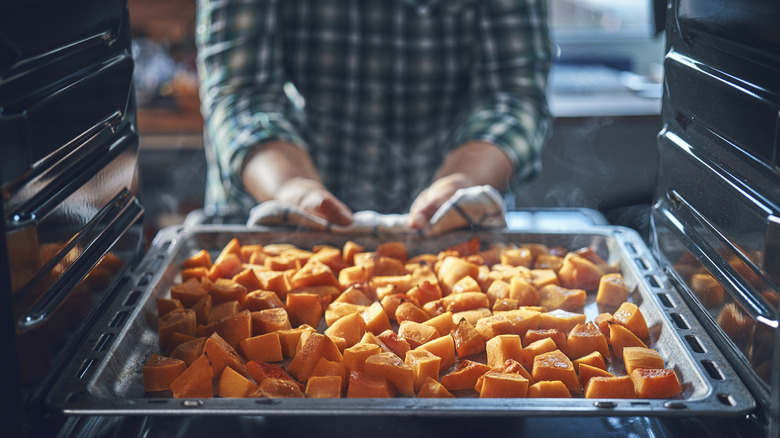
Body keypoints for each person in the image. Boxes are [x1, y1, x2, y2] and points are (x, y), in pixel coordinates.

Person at [195, 0, 552, 229]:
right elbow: (241, 95)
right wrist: (292, 188)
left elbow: (512, 95)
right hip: (271, 221)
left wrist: (461, 182)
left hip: (453, 232)